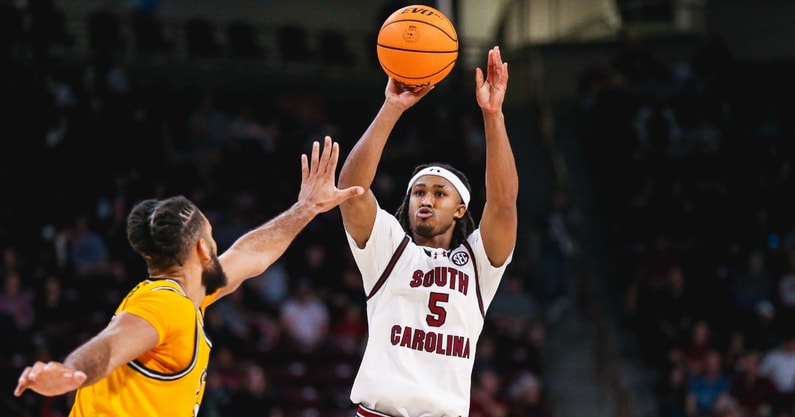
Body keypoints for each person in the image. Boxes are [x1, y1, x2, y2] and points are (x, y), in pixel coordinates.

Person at [12, 136, 363, 417]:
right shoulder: (168, 305)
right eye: (212, 237)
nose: (218, 245)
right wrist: (71, 371)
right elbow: (109, 345)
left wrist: (307, 208)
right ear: (201, 249)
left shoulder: (189, 292)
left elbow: (251, 254)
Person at [337, 46, 518, 417]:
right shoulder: (389, 249)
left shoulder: (478, 266)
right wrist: (392, 107)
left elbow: (502, 202)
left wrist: (493, 115)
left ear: (461, 209)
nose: (426, 200)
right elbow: (352, 191)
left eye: (439, 193)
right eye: (419, 192)